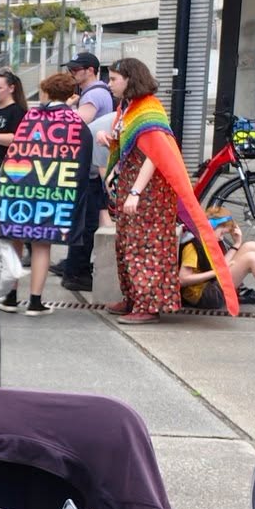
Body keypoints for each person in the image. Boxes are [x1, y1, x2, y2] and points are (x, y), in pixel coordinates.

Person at [0, 71, 85, 318]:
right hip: (53, 189)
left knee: (15, 237)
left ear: (46, 92)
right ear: (72, 94)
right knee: (41, 245)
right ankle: (35, 302)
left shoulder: (31, 116)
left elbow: (16, 147)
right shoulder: (74, 121)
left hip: (21, 186)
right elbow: (80, 157)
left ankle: (10, 296)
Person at [106, 57, 186, 326]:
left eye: (113, 79)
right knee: (127, 242)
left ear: (129, 79)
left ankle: (148, 304)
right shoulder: (128, 107)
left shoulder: (149, 109)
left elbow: (155, 155)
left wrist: (136, 192)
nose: (109, 84)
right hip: (133, 185)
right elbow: (128, 144)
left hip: (149, 192)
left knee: (146, 246)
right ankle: (132, 297)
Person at [58, 51, 117, 293]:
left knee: (89, 220)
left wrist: (64, 110)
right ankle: (76, 269)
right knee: (90, 220)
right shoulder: (95, 93)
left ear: (90, 70)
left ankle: (76, 269)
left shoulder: (93, 94)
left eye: (76, 69)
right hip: (93, 166)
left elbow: (78, 123)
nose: (72, 73)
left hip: (92, 166)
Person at [180, 210, 255, 318]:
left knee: (252, 246)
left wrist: (237, 244)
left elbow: (222, 264)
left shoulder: (211, 240)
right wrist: (216, 272)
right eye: (222, 233)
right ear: (211, 227)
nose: (222, 238)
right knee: (251, 258)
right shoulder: (193, 246)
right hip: (205, 296)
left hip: (212, 284)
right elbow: (183, 279)